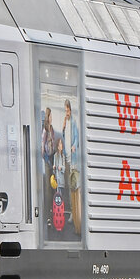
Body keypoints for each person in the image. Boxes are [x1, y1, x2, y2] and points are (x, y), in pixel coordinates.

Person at [61, 99, 82, 233]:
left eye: (67, 110)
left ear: (71, 110)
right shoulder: (66, 123)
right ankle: (71, 213)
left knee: (74, 186)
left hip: (73, 159)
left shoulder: (74, 123)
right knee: (69, 187)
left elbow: (77, 138)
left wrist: (74, 145)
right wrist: (63, 127)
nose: (66, 112)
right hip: (67, 159)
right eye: (65, 110)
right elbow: (64, 137)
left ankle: (75, 214)